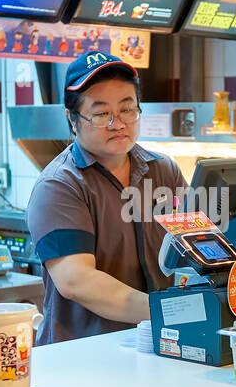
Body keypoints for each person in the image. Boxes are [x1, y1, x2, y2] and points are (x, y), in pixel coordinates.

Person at [27, 52, 187, 345]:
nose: (118, 124)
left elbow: (193, 248)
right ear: (72, 119)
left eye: (127, 110)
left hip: (159, 348)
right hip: (82, 361)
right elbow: (78, 281)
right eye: (101, 114)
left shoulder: (165, 171)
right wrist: (171, 311)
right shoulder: (59, 185)